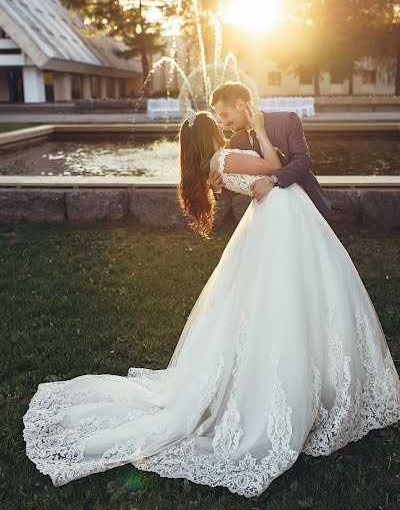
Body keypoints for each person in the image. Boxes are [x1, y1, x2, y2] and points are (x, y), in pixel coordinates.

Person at [22, 100, 400, 499]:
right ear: (210, 136)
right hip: (278, 223)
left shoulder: (218, 162)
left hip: (277, 219)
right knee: (288, 294)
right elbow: (272, 165)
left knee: (276, 297)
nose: (224, 125)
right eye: (217, 123)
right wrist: (261, 131)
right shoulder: (227, 156)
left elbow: (262, 174)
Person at [208, 81, 332, 217]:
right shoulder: (236, 140)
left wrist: (272, 180)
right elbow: (243, 183)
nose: (224, 123)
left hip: (305, 203)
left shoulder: (287, 120)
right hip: (270, 213)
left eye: (224, 115)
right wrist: (218, 188)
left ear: (240, 105)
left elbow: (303, 161)